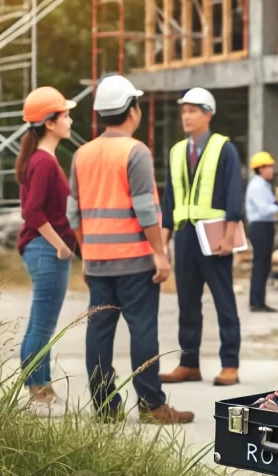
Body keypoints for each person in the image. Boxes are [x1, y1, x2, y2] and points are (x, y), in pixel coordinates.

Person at [67, 74, 193, 424]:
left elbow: (72, 212)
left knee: (99, 333)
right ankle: (152, 406)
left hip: (98, 261)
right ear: (132, 110)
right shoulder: (135, 152)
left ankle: (105, 408)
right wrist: (159, 253)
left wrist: (87, 252)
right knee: (142, 331)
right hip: (135, 262)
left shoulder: (82, 154)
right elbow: (146, 210)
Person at [158, 87, 245, 387]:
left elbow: (235, 192)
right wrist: (163, 241)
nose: (186, 116)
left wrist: (230, 236)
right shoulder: (176, 151)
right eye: (184, 111)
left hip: (215, 235)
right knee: (187, 302)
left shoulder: (225, 149)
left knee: (224, 300)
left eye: (193, 110)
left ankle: (230, 364)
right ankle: (188, 363)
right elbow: (170, 199)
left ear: (208, 114)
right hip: (184, 237)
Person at [15, 86, 77, 416]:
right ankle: (38, 391)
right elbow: (34, 213)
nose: (70, 119)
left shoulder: (42, 159)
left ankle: (42, 385)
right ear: (50, 123)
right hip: (45, 250)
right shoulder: (43, 162)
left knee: (42, 324)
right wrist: (62, 247)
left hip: (41, 248)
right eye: (65, 115)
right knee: (42, 325)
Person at [245, 151, 278, 312]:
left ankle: (259, 300)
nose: (272, 170)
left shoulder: (264, 185)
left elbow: (273, 207)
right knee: (260, 265)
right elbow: (265, 210)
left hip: (265, 226)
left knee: (264, 265)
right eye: (269, 167)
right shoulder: (257, 186)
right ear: (260, 169)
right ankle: (256, 302)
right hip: (260, 227)